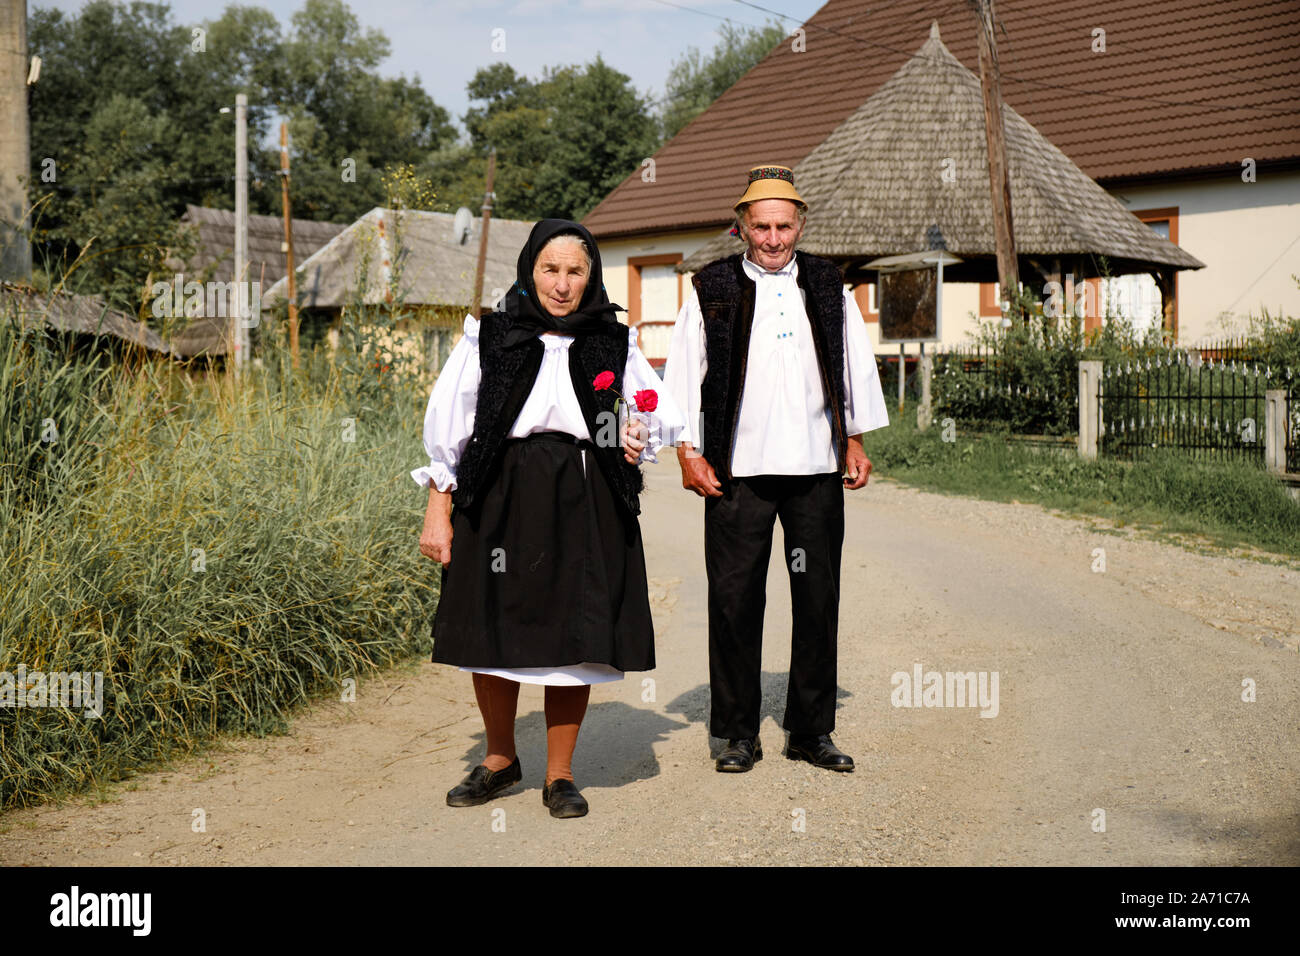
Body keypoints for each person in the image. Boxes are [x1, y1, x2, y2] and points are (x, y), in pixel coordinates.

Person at [413, 219, 684, 817]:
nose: (562, 284)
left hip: (585, 496)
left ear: (591, 278)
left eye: (575, 272)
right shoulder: (491, 334)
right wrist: (440, 505)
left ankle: (560, 775)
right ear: (530, 271)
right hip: (500, 493)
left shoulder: (613, 338)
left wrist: (635, 433)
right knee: (494, 631)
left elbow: (649, 411)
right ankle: (499, 759)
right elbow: (451, 423)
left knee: (575, 636)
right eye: (550, 270)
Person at [662, 165, 889, 774]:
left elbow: (852, 366)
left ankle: (811, 731)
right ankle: (737, 733)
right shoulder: (709, 287)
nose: (772, 238)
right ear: (741, 228)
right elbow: (684, 373)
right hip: (737, 470)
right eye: (759, 226)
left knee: (817, 598)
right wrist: (688, 450)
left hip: (816, 466)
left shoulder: (827, 283)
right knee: (734, 599)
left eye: (783, 226)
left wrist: (856, 440)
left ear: (800, 224)